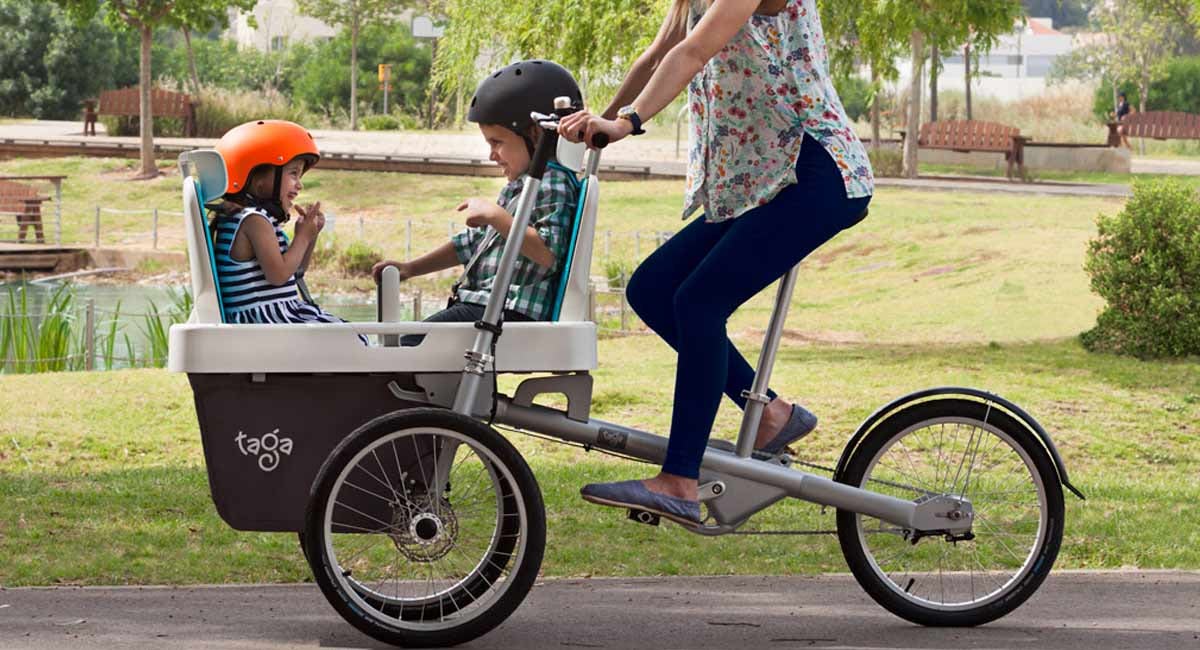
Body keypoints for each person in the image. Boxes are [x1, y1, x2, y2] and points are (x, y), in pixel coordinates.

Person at [562, 0, 874, 527]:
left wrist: (629, 123)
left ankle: (679, 480)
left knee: (699, 302)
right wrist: (597, 122)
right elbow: (659, 52)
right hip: (762, 179)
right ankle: (772, 415)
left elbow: (695, 50)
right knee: (654, 289)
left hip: (814, 170)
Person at [372, 60, 581, 337]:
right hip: (485, 307)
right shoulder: (520, 187)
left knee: (411, 345)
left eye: (497, 142)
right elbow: (470, 245)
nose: (491, 155)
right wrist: (411, 268)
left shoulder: (553, 182)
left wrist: (496, 216)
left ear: (536, 134)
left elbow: (548, 254)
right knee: (415, 349)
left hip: (508, 311)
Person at [209, 120, 346, 327]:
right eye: (293, 173)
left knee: (349, 336)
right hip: (267, 323)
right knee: (352, 339)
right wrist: (301, 237)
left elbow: (296, 270)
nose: (299, 185)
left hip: (273, 320)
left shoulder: (249, 218)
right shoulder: (253, 220)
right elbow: (278, 275)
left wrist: (310, 235)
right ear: (257, 179)